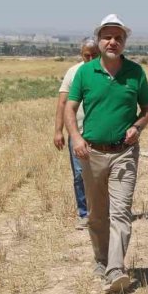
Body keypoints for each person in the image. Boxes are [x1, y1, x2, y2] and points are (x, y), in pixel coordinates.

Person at [66, 14, 148, 294]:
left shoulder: (136, 73)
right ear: (99, 40)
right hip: (91, 153)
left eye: (118, 37)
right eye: (107, 36)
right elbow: (69, 108)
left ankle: (116, 269)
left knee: (121, 212)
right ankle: (101, 259)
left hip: (124, 153)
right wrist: (76, 138)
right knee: (96, 214)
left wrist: (137, 126)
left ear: (125, 42)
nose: (112, 42)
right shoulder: (85, 72)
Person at [53, 37, 100, 229]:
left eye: (94, 55)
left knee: (102, 175)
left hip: (102, 134)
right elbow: (62, 103)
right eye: (86, 55)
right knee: (80, 175)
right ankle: (85, 213)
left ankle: (102, 212)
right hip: (77, 133)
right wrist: (58, 131)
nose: (90, 59)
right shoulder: (73, 72)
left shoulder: (108, 71)